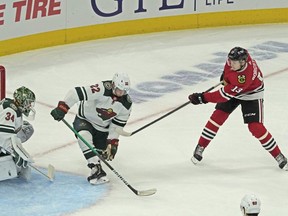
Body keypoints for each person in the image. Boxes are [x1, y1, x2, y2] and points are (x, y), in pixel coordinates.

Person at [188, 47, 288, 170]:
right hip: (234, 88)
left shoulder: (245, 76)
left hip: (252, 93)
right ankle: (201, 146)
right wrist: (225, 77)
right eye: (230, 61)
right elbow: (227, 72)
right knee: (217, 117)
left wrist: (202, 98)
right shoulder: (236, 59)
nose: (231, 64)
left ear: (242, 62)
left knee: (255, 127)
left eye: (234, 63)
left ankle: (278, 155)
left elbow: (223, 96)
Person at [50, 72, 132, 185]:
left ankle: (96, 163)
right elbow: (75, 93)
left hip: (102, 129)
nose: (121, 93)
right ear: (113, 85)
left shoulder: (126, 104)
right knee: (84, 136)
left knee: (99, 152)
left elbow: (117, 125)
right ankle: (96, 168)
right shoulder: (102, 89)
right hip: (85, 119)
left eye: (124, 91)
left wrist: (112, 142)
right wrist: (63, 107)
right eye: (119, 89)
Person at [0, 86, 36, 181]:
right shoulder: (10, 110)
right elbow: (3, 135)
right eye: (28, 103)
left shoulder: (14, 108)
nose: (29, 106)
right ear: (21, 101)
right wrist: (15, 152)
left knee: (27, 129)